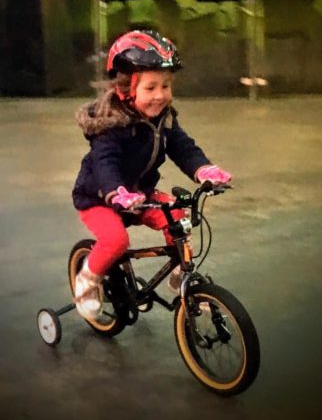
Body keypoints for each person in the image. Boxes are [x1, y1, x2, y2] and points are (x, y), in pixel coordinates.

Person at [72, 30, 231, 321]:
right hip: (99, 198)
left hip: (140, 194)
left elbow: (183, 148)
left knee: (179, 221)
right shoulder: (110, 125)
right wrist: (116, 192)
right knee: (116, 241)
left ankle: (179, 276)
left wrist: (202, 169)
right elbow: (105, 162)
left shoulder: (165, 118)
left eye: (166, 85)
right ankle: (88, 279)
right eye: (150, 87)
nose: (160, 95)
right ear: (125, 88)